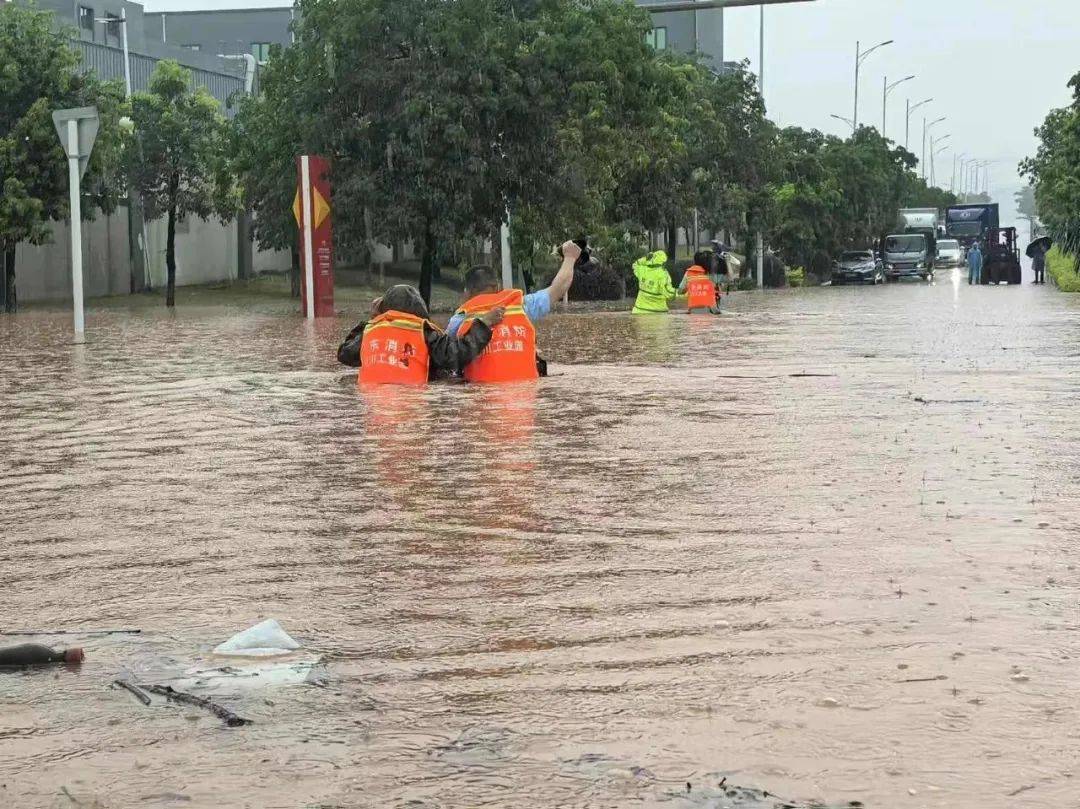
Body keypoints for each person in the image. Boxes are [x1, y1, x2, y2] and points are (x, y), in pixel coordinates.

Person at [337, 284, 503, 384]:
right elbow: (456, 355)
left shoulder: (371, 331)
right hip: (414, 397)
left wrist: (371, 320)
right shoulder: (424, 331)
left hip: (373, 401)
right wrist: (483, 324)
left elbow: (344, 354)